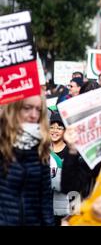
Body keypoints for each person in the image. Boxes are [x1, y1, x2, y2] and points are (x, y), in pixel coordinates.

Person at [0, 95, 54, 225]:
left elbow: (45, 200)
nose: (33, 115)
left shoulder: (41, 147)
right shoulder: (2, 143)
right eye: (27, 108)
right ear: (13, 109)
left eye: (38, 110)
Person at [49, 112, 71, 225]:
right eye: (51, 127)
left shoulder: (71, 152)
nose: (54, 131)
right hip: (46, 207)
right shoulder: (42, 151)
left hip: (64, 209)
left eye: (59, 128)